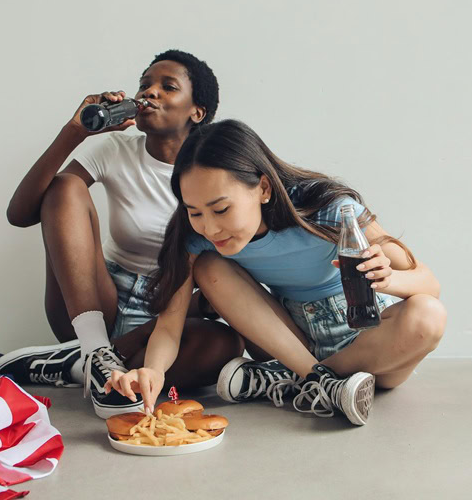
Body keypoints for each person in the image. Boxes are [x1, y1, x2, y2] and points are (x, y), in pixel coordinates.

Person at [106, 119, 445, 425]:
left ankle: (300, 380)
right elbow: (169, 325)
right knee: (211, 266)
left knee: (428, 316)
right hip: (288, 342)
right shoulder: (195, 240)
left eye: (221, 209)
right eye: (195, 212)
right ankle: (312, 379)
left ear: (263, 189)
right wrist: (151, 371)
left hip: (373, 344)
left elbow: (429, 283)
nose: (210, 227)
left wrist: (389, 279)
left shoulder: (329, 209)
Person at [0, 51, 243, 418]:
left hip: (169, 310)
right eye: (146, 84)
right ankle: (94, 352)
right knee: (64, 187)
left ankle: (78, 366)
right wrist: (75, 131)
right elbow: (20, 214)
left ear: (197, 112)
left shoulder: (215, 170)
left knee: (224, 345)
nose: (150, 93)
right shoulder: (115, 151)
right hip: (92, 302)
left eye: (167, 87)